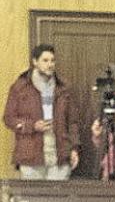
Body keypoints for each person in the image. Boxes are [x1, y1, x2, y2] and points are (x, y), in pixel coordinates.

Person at [3, 44, 79, 179]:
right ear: (35, 62)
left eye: (52, 60)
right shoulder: (20, 87)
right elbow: (8, 118)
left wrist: (74, 148)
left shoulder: (63, 88)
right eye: (45, 60)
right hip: (31, 155)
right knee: (33, 198)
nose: (50, 64)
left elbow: (72, 122)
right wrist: (32, 126)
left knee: (58, 198)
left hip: (60, 155)